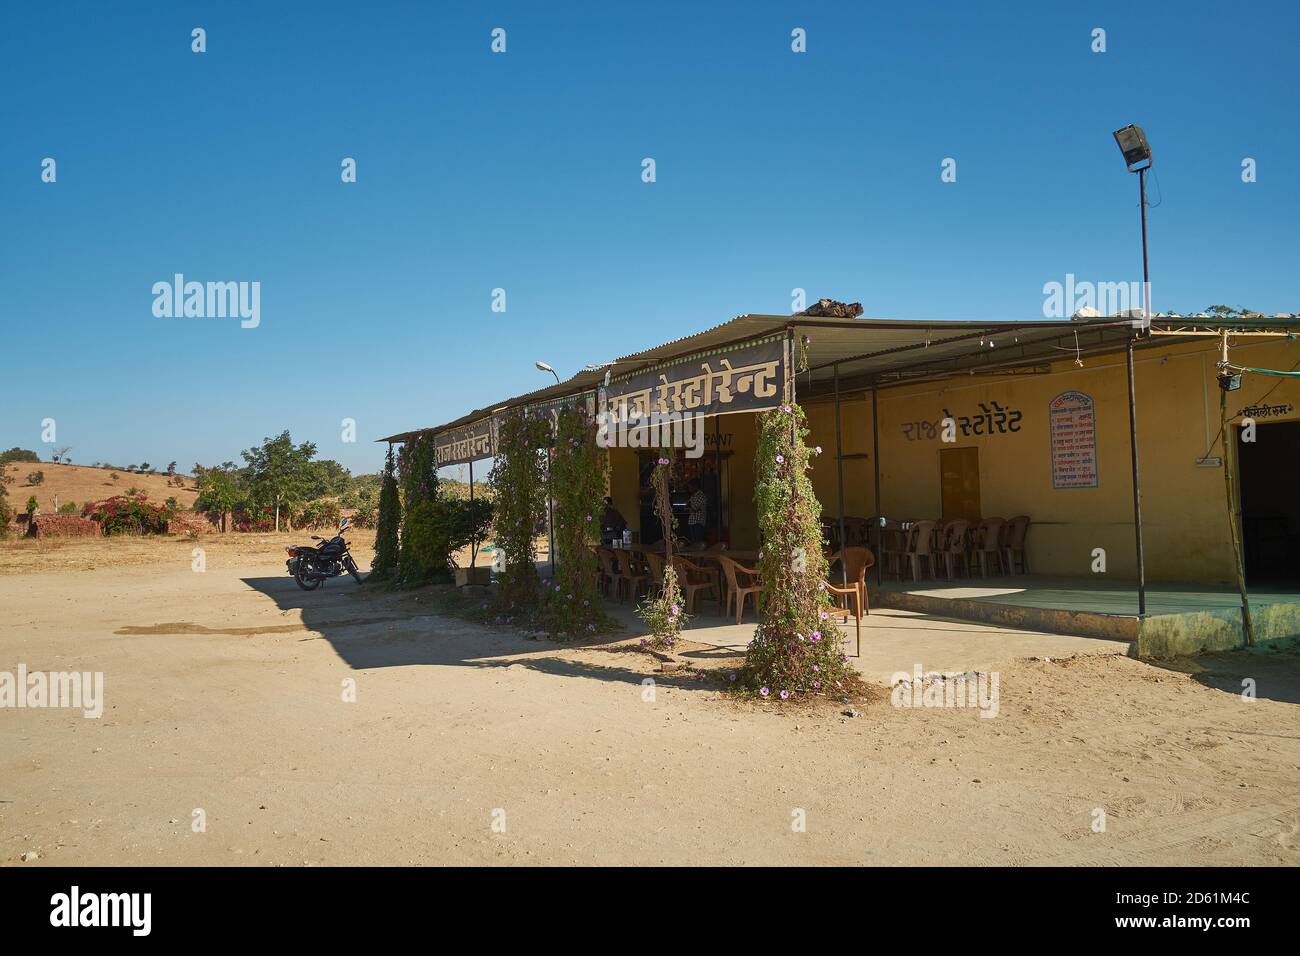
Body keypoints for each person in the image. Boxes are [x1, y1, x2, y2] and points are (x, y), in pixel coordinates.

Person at [686, 479, 707, 546]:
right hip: (692, 521)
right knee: (693, 543)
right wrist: (689, 507)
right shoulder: (693, 496)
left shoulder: (701, 496)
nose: (689, 489)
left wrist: (690, 507)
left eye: (690, 487)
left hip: (698, 522)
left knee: (698, 543)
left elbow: (694, 509)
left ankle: (699, 556)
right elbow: (687, 506)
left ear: (695, 486)